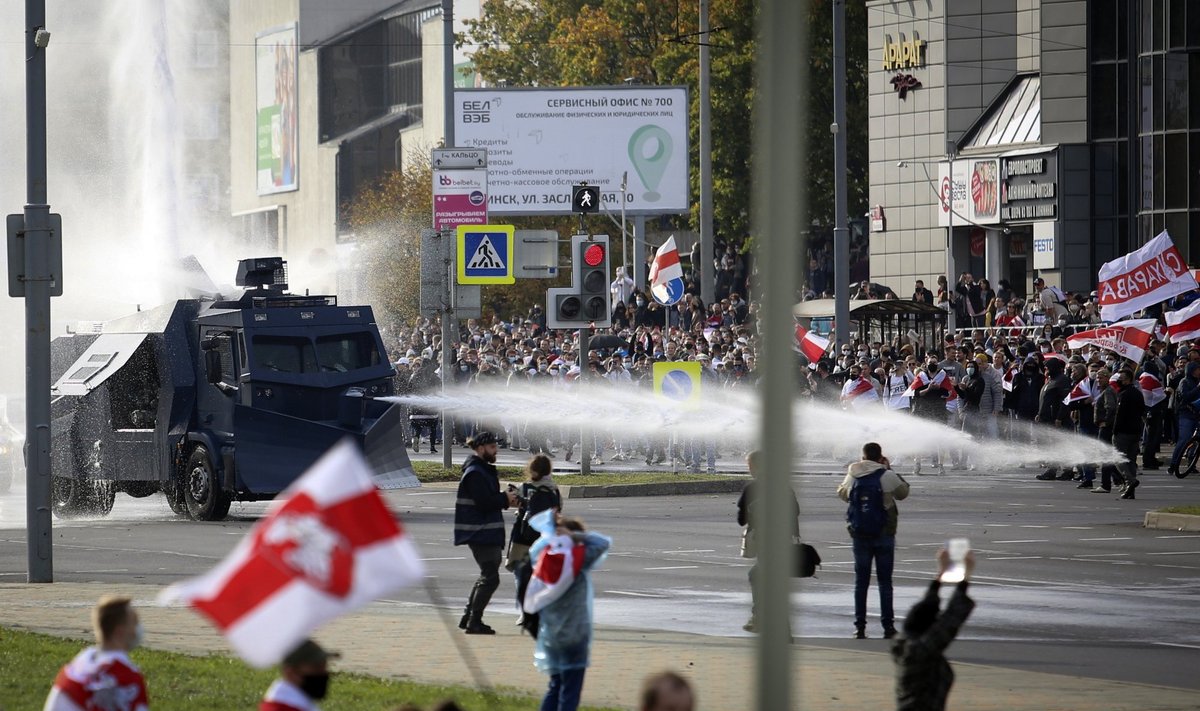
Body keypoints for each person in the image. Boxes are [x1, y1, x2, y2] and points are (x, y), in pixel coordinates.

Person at [527, 514, 611, 711]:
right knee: (570, 691)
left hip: (550, 635)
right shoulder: (578, 561)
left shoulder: (544, 558)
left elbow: (534, 550)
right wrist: (576, 537)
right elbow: (602, 542)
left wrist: (552, 536)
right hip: (575, 633)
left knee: (555, 686)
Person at [837, 442, 911, 639]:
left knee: (861, 583)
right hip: (884, 533)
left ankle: (859, 627)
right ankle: (888, 627)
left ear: (863, 457)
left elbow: (843, 495)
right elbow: (903, 493)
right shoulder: (886, 475)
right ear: (880, 457)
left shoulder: (853, 474)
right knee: (885, 583)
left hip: (860, 534)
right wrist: (890, 469)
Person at [891, 549, 977, 711]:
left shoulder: (904, 644)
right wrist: (966, 577)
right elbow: (951, 619)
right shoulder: (917, 653)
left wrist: (940, 575)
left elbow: (926, 608)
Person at [454, 431, 518, 634]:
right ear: (480, 448)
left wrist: (505, 498)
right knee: (490, 577)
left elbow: (488, 499)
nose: (495, 450)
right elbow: (483, 503)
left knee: (486, 575)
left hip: (485, 531)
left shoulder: (482, 470)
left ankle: (468, 617)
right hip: (480, 532)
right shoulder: (475, 472)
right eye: (492, 447)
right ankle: (474, 621)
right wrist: (505, 499)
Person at [45, 595, 149, 711]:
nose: (138, 629)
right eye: (135, 623)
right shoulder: (129, 679)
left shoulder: (72, 671)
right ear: (119, 632)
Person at [737, 450, 800, 633]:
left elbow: (741, 519)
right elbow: (795, 511)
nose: (749, 469)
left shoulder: (752, 488)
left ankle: (759, 617)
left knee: (758, 576)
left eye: (749, 465)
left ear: (756, 466)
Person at [507, 453, 563, 637]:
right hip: (545, 538)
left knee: (520, 574)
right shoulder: (553, 489)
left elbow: (518, 507)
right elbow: (558, 510)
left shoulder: (525, 488)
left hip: (523, 537)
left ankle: (525, 612)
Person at [260, 639, 338, 711]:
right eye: (316, 667)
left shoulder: (295, 703)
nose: (323, 673)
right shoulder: (282, 708)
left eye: (324, 667)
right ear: (290, 672)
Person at [1112, 369, 1146, 499]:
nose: (1119, 380)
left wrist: (1114, 430)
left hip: (1123, 432)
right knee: (1131, 461)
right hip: (1136, 431)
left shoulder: (1124, 394)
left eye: (1122, 378)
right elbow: (1142, 410)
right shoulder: (1138, 393)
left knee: (1118, 458)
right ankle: (1130, 491)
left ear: (1128, 380)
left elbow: (1119, 415)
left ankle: (1130, 480)